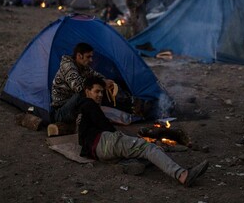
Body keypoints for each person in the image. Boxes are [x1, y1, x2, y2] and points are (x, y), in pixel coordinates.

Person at [78, 76, 209, 187]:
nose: (100, 95)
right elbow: (107, 127)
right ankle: (182, 175)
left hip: (99, 152)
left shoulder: (83, 109)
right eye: (97, 92)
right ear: (87, 91)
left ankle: (125, 164)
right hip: (105, 142)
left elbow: (82, 139)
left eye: (101, 92)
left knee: (141, 151)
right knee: (149, 148)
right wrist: (122, 136)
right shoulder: (89, 104)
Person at [51, 43, 114, 123]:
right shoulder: (68, 66)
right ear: (79, 56)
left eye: (91, 57)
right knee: (86, 92)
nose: (91, 60)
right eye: (88, 57)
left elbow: (96, 75)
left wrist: (105, 82)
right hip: (61, 111)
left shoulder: (84, 67)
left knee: (98, 89)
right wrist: (102, 83)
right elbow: (78, 87)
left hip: (74, 106)